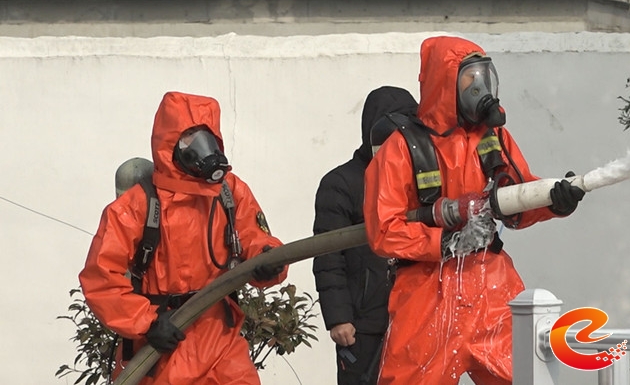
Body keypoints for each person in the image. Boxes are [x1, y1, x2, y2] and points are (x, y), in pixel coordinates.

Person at [363, 36, 585, 384]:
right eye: (470, 79)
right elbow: (384, 230)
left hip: (491, 286)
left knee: (526, 377)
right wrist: (444, 242)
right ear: (444, 84)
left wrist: (553, 202)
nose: (481, 88)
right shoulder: (402, 148)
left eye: (484, 76)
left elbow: (516, 198)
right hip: (426, 292)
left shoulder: (493, 138)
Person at [80, 91, 287, 384]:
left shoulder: (229, 192)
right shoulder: (137, 206)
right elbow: (101, 278)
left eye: (206, 135)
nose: (201, 146)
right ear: (169, 144)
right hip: (164, 343)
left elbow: (254, 236)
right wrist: (147, 322)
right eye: (189, 137)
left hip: (220, 340)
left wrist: (268, 258)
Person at [312, 85, 419, 385]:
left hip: (414, 314)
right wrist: (339, 318)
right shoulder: (340, 183)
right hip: (363, 324)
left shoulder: (419, 179)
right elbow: (328, 255)